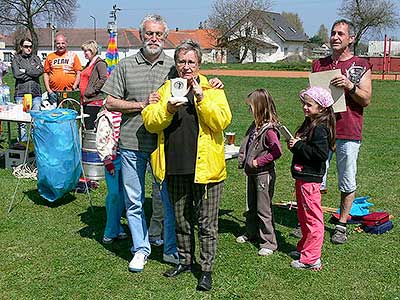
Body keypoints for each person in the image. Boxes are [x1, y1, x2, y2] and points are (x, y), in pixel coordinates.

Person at [142, 39, 232, 291]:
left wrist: (202, 98)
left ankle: (206, 269)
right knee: (181, 220)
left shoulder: (213, 89)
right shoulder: (166, 89)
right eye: (181, 61)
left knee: (206, 222)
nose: (186, 66)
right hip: (174, 165)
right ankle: (185, 261)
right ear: (176, 64)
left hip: (207, 169)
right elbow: (150, 121)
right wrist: (167, 109)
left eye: (191, 61)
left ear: (199, 64)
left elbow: (222, 121)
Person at [312, 19, 372, 244]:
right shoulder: (319, 64)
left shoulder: (360, 65)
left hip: (348, 131)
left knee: (347, 181)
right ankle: (312, 220)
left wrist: (349, 86)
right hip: (322, 131)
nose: (335, 37)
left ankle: (341, 225)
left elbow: (366, 99)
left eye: (340, 34)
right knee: (316, 178)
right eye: (333, 33)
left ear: (351, 38)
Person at [287, 86, 336, 270]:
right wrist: (295, 145)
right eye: (304, 104)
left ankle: (312, 258)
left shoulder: (320, 128)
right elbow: (307, 150)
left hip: (310, 180)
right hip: (302, 177)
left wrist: (299, 146)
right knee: (303, 216)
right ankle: (304, 249)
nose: (305, 107)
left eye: (309, 105)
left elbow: (320, 154)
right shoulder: (310, 123)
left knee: (312, 219)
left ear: (322, 108)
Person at [236, 89, 282, 256]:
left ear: (260, 107)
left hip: (263, 175)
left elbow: (277, 152)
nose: (249, 109)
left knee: (264, 208)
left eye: (252, 106)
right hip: (253, 174)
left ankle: (269, 242)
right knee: (252, 205)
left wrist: (257, 162)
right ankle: (252, 231)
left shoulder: (269, 130)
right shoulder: (255, 126)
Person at [95, 107, 128, 244]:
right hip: (112, 159)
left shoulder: (126, 113)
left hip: (126, 157)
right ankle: (109, 230)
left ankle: (117, 226)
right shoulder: (105, 116)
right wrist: (107, 161)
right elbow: (100, 141)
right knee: (114, 194)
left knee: (123, 194)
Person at [11, 38, 43, 141]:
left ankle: (35, 145)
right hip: (23, 95)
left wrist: (25, 71)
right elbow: (17, 74)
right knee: (23, 122)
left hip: (36, 95)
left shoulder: (36, 58)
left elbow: (40, 71)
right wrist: (33, 73)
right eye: (26, 46)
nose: (29, 48)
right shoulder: (16, 59)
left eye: (30, 46)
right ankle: (23, 145)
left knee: (36, 121)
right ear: (21, 47)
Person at [44, 34, 82, 105]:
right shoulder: (50, 57)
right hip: (54, 92)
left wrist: (74, 86)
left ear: (66, 44)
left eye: (63, 43)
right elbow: (46, 73)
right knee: (54, 114)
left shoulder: (73, 56)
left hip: (69, 91)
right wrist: (49, 90)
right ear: (55, 44)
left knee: (68, 112)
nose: (60, 45)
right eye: (58, 43)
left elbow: (78, 72)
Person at [80, 40, 107, 130]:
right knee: (86, 127)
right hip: (86, 101)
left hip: (93, 101)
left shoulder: (100, 64)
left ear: (92, 50)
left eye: (86, 51)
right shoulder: (88, 64)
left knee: (90, 127)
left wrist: (93, 90)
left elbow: (103, 78)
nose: (84, 53)